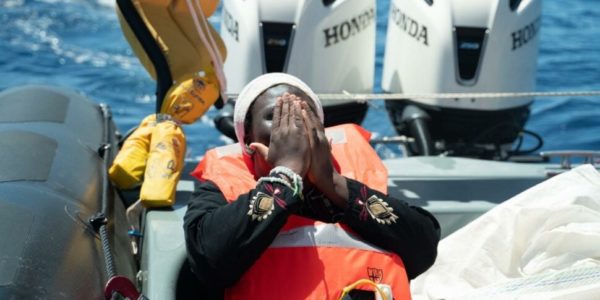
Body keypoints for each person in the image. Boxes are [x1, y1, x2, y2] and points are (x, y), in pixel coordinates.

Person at [184, 73, 440, 299]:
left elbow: (423, 249)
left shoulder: (350, 180)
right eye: (276, 116)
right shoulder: (221, 189)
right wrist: (285, 175)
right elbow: (209, 263)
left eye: (303, 115)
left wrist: (333, 183)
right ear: (248, 136)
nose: (291, 126)